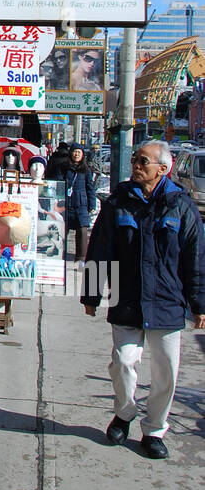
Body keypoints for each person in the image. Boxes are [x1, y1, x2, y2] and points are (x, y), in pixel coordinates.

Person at [82, 139, 205, 458]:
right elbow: (100, 249)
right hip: (126, 297)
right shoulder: (118, 202)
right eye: (135, 159)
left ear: (164, 169)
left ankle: (154, 430)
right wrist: (91, 295)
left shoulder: (181, 205)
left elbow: (196, 258)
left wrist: (199, 303)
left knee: (167, 371)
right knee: (122, 363)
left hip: (166, 301)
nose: (136, 165)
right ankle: (124, 413)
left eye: (143, 161)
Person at [63, 143, 96, 260]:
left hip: (81, 204)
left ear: (82, 155)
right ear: (70, 153)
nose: (76, 154)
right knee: (63, 229)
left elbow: (90, 188)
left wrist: (92, 204)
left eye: (79, 152)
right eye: (74, 151)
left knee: (82, 229)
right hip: (66, 203)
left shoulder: (86, 170)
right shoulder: (65, 168)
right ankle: (61, 253)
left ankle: (81, 256)